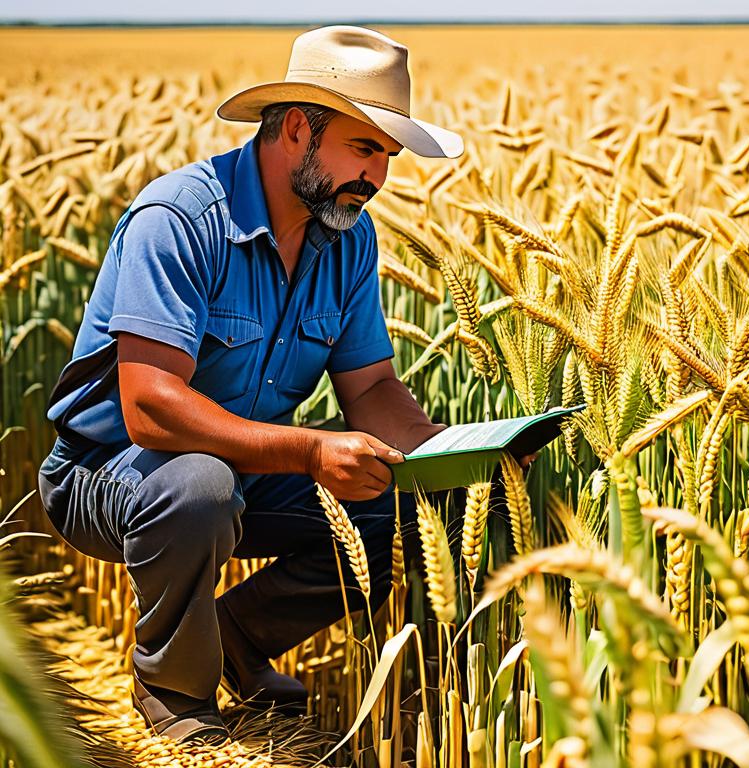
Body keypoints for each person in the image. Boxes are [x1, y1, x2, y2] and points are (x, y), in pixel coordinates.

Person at [36, 25, 469, 745]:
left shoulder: (348, 237)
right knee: (197, 487)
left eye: (387, 157)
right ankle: (172, 685)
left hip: (245, 472)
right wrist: (307, 453)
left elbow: (371, 388)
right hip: (108, 476)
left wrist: (443, 453)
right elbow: (148, 409)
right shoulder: (179, 220)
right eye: (364, 148)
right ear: (298, 128)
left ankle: (236, 633)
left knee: (396, 498)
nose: (378, 177)